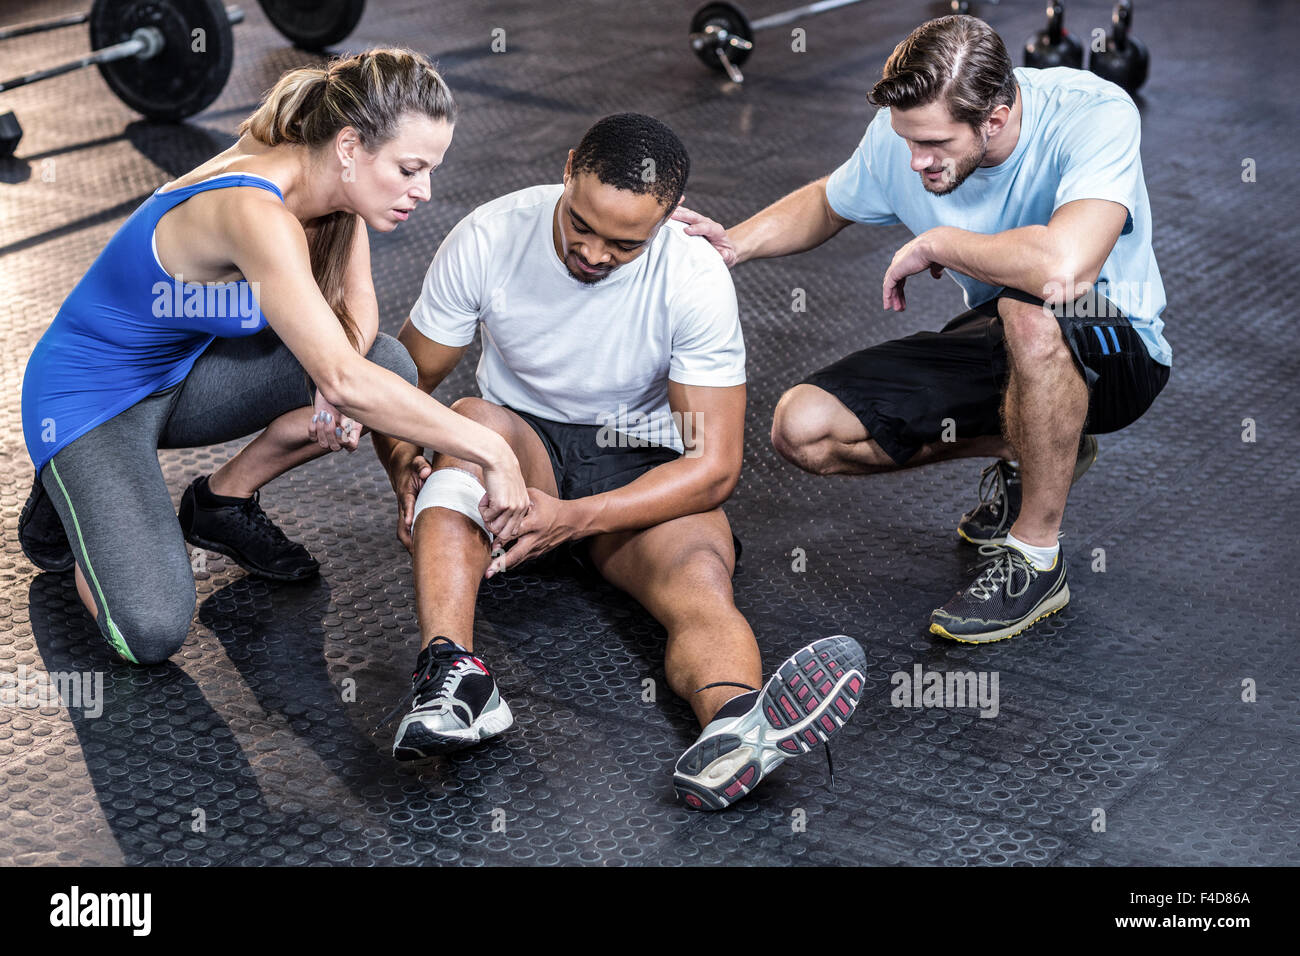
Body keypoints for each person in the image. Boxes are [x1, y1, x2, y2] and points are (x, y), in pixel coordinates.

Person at [371, 112, 867, 810]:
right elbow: (398, 386)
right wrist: (401, 467)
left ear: (665, 223)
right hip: (521, 450)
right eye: (582, 224)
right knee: (467, 423)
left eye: (624, 243)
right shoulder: (490, 235)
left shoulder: (692, 274)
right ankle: (453, 678)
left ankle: (737, 731)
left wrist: (574, 519)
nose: (595, 253)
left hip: (638, 461)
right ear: (570, 167)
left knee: (699, 580)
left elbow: (715, 465)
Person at [18, 49, 529, 667]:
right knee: (149, 631)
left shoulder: (334, 188)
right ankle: (71, 494)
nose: (424, 191)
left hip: (182, 379)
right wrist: (490, 448)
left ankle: (220, 503)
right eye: (411, 169)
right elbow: (345, 375)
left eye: (430, 170)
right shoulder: (253, 209)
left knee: (386, 365)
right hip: (87, 404)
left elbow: (358, 319)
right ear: (350, 147)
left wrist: (332, 365)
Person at [674, 15, 1171, 644]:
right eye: (906, 141)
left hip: (1113, 342)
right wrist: (733, 246)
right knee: (804, 429)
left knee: (1033, 308)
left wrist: (941, 241)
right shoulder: (907, 133)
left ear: (994, 118)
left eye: (933, 145)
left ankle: (1036, 558)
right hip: (1008, 335)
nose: (914, 161)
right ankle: (1041, 446)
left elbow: (1065, 269)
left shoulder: (1092, 113)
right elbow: (831, 199)